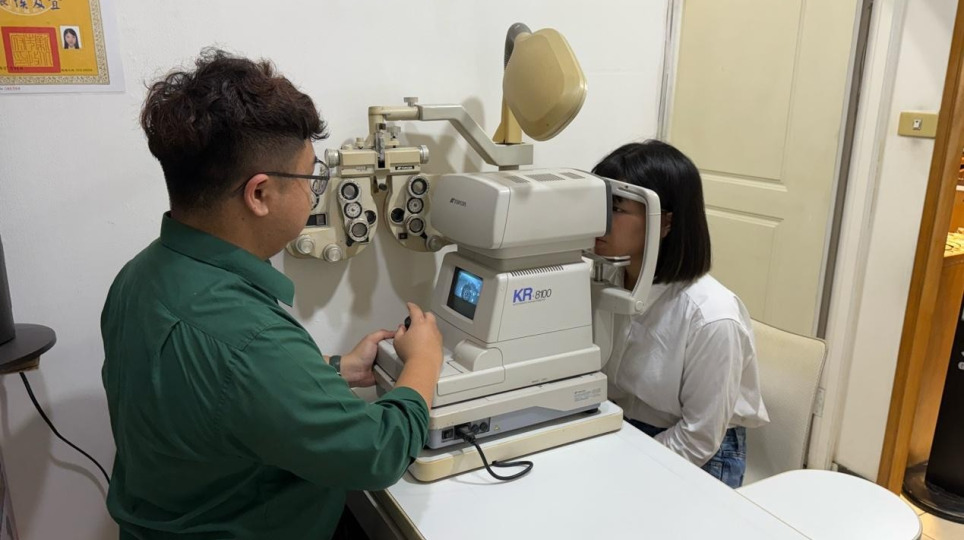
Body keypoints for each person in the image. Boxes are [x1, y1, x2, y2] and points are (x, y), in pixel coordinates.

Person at [100, 49, 444, 539]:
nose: (313, 192)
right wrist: (423, 363)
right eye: (311, 178)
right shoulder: (250, 339)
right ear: (259, 194)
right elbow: (377, 453)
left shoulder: (138, 277)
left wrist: (337, 369)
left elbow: (210, 394)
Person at [592, 140, 768, 488]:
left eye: (615, 207)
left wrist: (622, 471)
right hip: (625, 426)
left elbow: (698, 437)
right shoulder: (607, 279)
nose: (598, 220)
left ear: (665, 222)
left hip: (697, 451)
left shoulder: (712, 317)